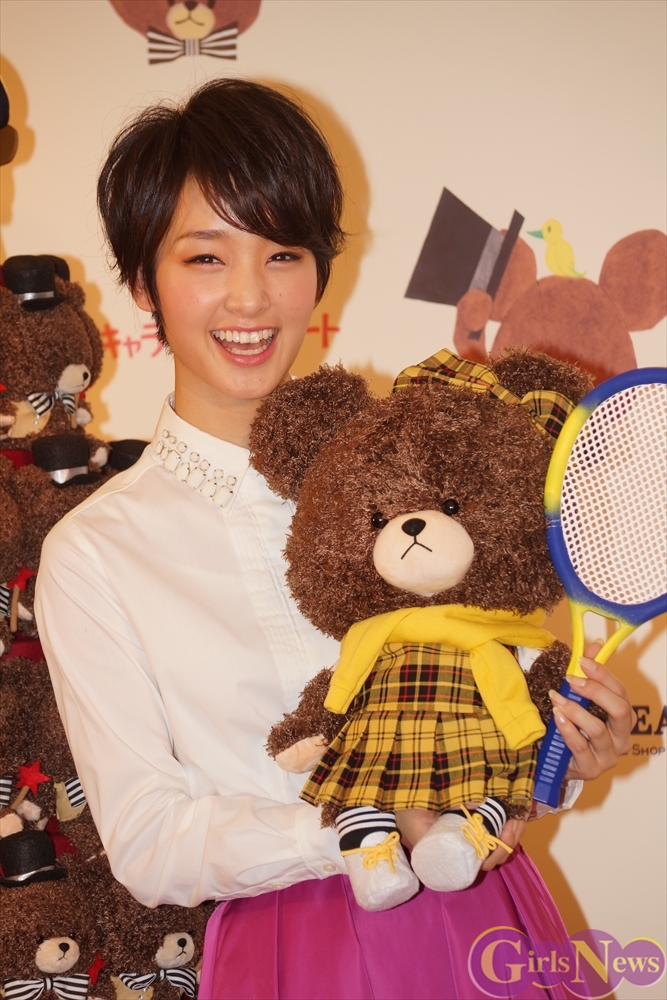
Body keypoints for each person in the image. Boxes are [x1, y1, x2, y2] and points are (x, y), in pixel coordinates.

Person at [36, 79, 636, 1000]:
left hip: (488, 915)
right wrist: (363, 830)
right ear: (143, 282)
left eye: (282, 253)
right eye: (205, 257)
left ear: (318, 269)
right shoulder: (96, 553)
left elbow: (482, 713)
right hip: (292, 949)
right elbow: (149, 842)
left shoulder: (422, 468)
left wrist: (563, 760)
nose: (249, 296)